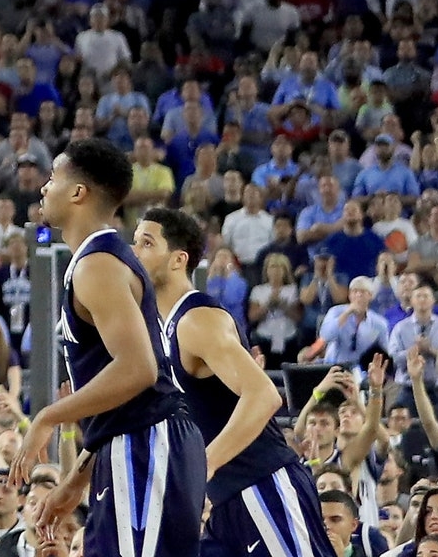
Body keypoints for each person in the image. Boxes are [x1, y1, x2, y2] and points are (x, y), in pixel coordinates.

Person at [20, 139, 205, 557]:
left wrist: (48, 416)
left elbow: (138, 370)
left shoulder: (97, 265)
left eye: (52, 178)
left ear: (78, 193)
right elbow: (121, 405)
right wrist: (74, 483)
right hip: (134, 442)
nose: (44, 188)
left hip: (150, 442)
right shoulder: (97, 260)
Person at [132, 205, 333, 557]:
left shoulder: (196, 319)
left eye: (146, 244)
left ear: (179, 260)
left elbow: (264, 395)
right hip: (226, 501)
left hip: (263, 484)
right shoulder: (160, 331)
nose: (133, 253)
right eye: (134, 243)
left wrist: (204, 464)